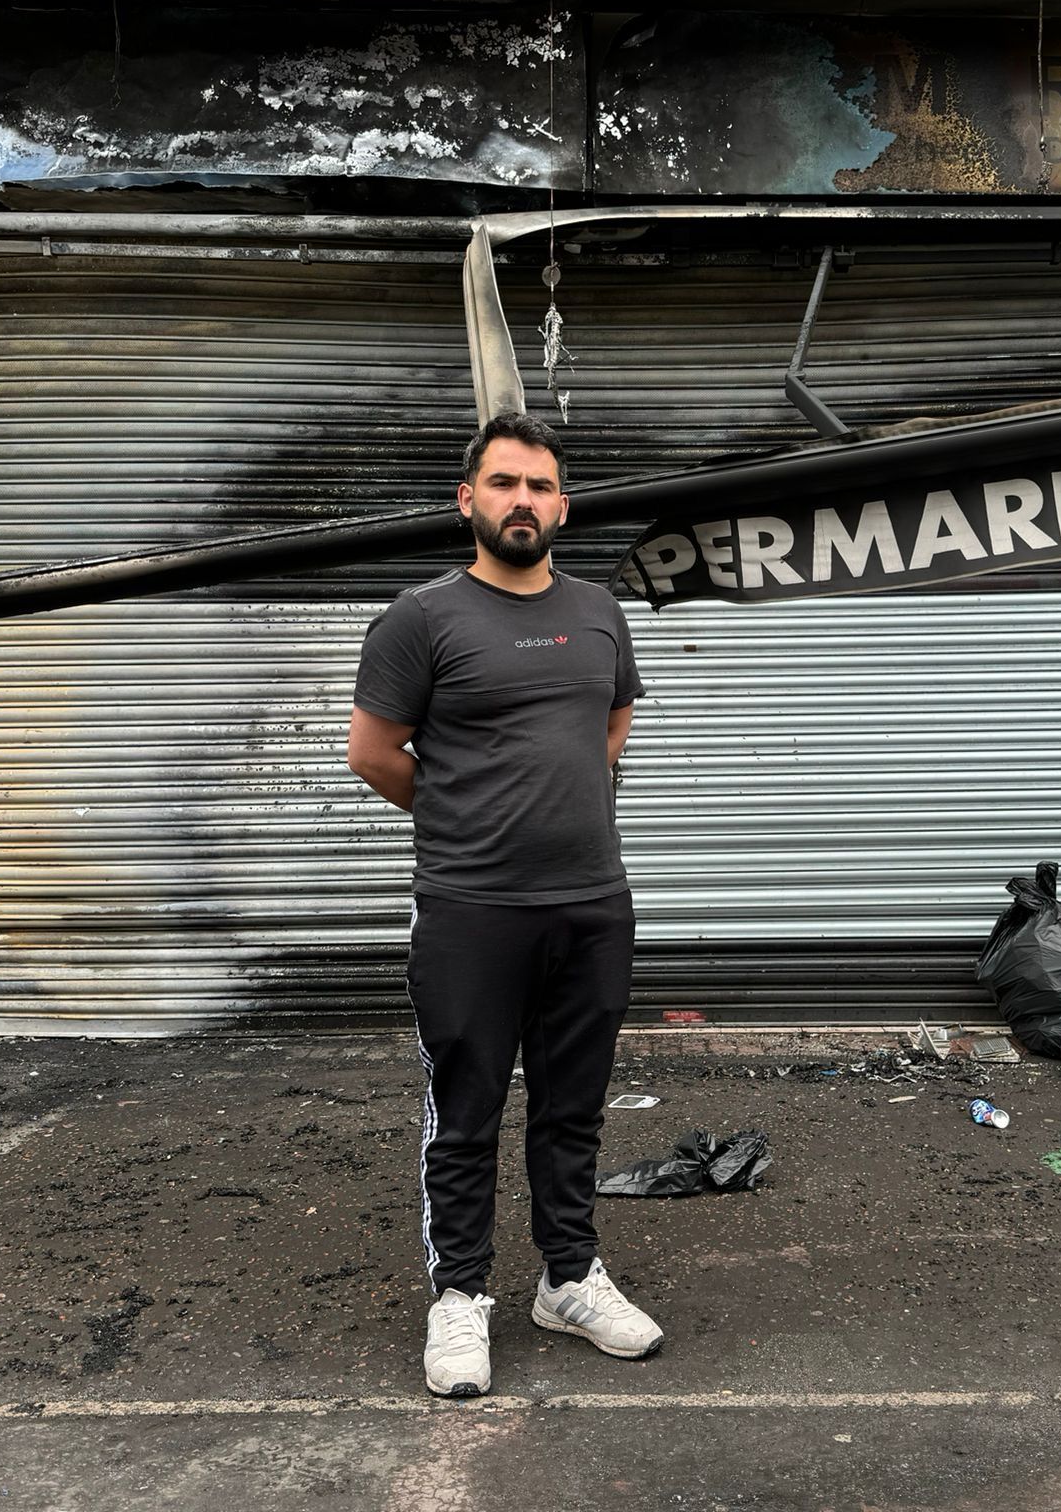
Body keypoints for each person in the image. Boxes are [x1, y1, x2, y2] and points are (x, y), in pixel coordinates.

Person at [346, 411, 663, 1398]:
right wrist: (463, 819)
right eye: (503, 483)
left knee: (572, 1110)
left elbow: (608, 724)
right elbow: (372, 754)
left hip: (589, 905)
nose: (521, 500)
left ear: (560, 505)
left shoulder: (599, 611)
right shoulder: (421, 618)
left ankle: (566, 1280)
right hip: (471, 908)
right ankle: (460, 1295)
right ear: (468, 499)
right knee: (467, 1111)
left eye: (538, 486)